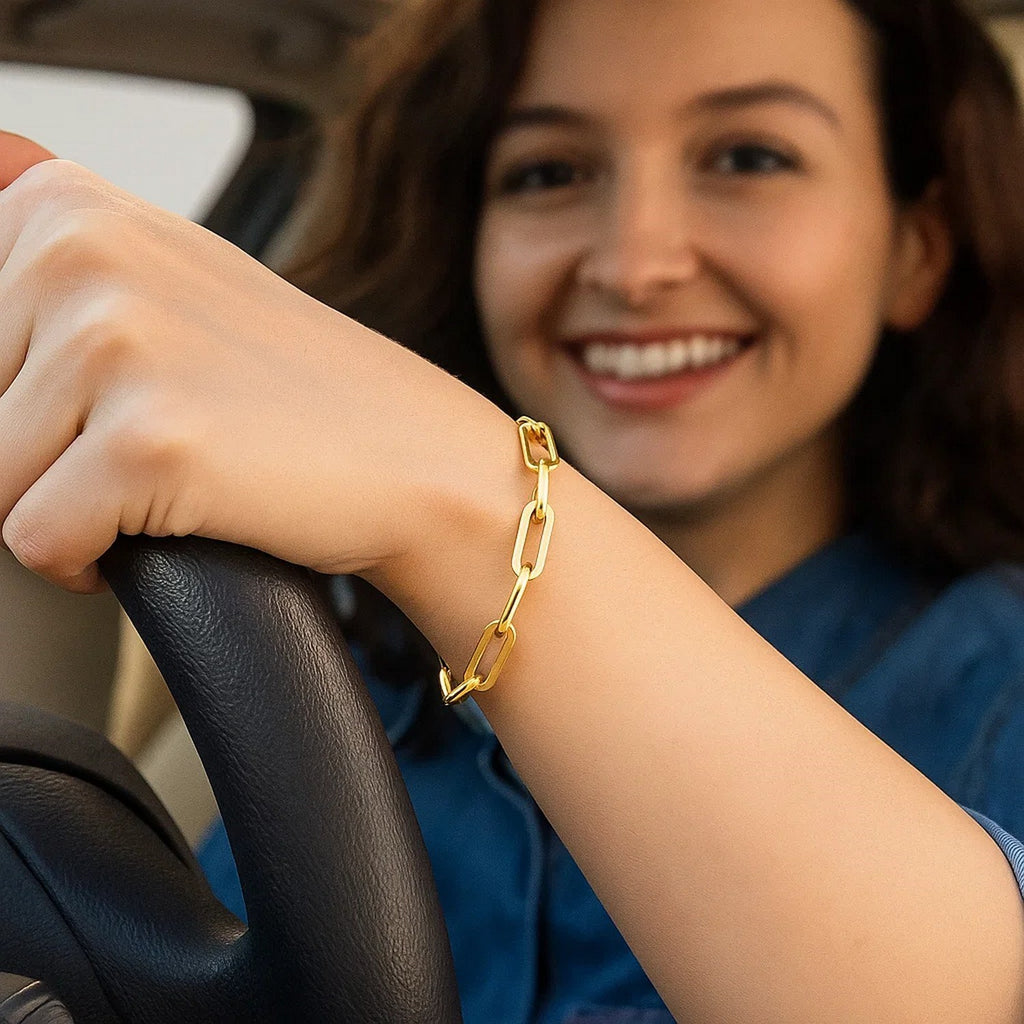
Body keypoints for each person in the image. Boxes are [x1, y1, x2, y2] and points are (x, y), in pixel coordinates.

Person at [0, 0, 1023, 1018]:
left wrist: (462, 488)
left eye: (749, 157)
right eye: (549, 172)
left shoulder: (1000, 674)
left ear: (916, 248)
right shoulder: (342, 679)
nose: (633, 265)